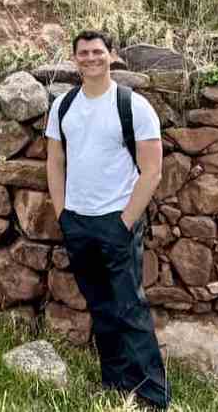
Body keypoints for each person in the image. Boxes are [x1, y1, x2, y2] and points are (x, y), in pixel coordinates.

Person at [44, 30, 170, 409]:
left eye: (97, 51)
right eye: (83, 53)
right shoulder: (63, 106)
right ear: (74, 59)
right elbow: (55, 161)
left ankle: (152, 394)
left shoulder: (132, 106)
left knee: (129, 308)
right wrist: (62, 213)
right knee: (100, 307)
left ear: (111, 56)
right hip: (78, 222)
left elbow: (153, 171)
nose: (90, 58)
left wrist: (125, 221)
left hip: (116, 221)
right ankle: (115, 383)